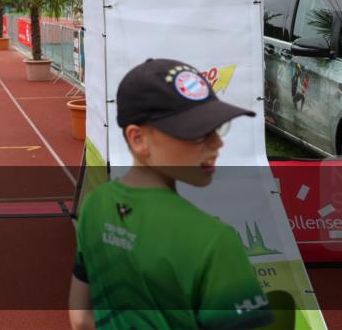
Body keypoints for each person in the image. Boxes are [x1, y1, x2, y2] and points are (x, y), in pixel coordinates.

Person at [69, 58, 273, 330]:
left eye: (216, 127)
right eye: (197, 132)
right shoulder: (213, 241)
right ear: (138, 139)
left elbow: (81, 319)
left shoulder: (95, 205)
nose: (217, 143)